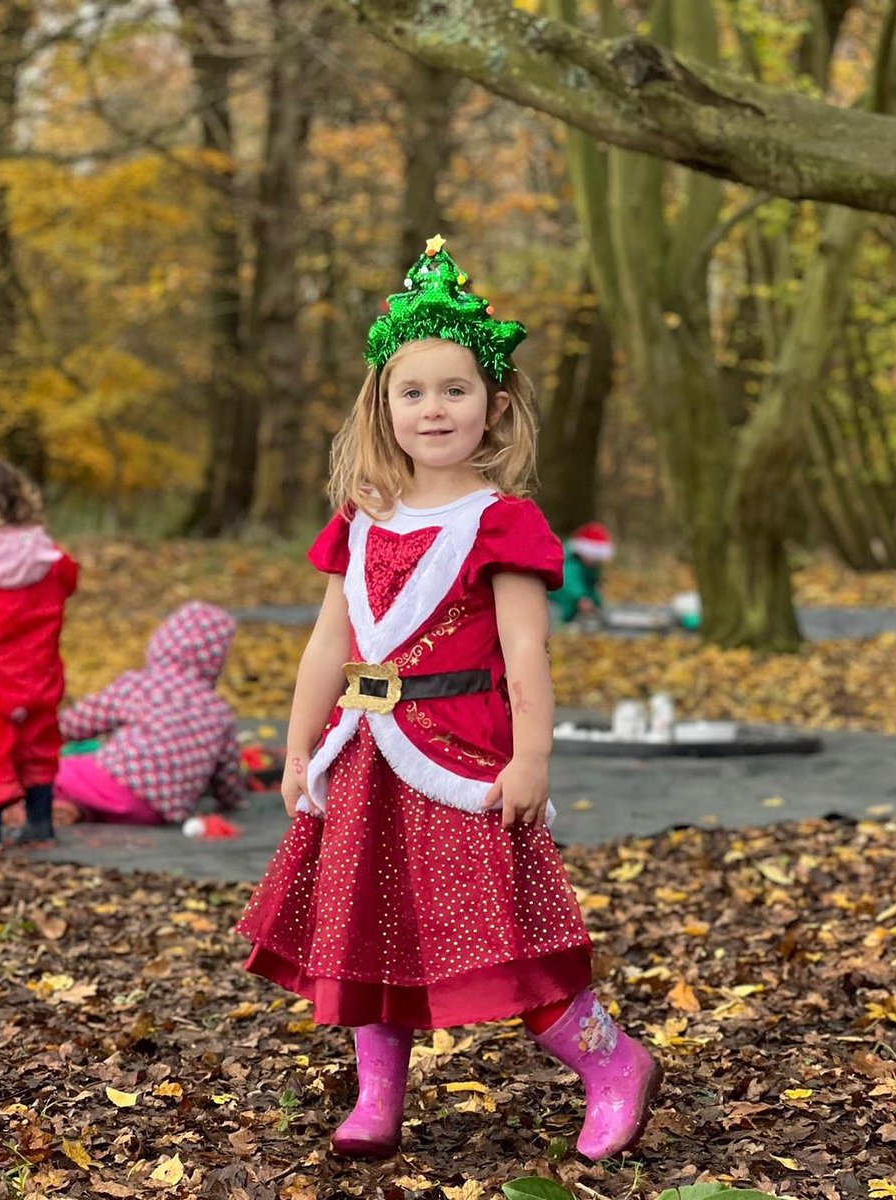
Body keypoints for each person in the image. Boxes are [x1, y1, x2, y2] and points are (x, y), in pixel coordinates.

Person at [238, 237, 660, 1161]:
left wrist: (534, 758)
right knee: (364, 925)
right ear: (382, 407)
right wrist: (300, 740)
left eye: (455, 391)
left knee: (502, 930)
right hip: (361, 753)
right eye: (412, 393)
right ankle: (378, 1096)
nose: (433, 410)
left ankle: (612, 1063)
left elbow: (524, 650)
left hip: (461, 756)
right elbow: (327, 641)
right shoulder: (359, 518)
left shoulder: (501, 520)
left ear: (494, 406)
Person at [0, 457, 78, 852]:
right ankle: (40, 826)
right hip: (41, 679)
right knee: (39, 749)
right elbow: (69, 578)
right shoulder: (48, 556)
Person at [55, 601, 243, 826]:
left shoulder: (143, 684)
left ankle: (45, 805)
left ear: (161, 643)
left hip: (115, 780)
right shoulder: (219, 710)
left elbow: (83, 720)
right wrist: (232, 801)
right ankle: (73, 809)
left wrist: (50, 735)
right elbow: (227, 774)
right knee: (101, 799)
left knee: (55, 772)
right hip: (156, 813)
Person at [550, 521, 615, 625]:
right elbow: (569, 583)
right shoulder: (569, 565)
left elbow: (591, 588)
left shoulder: (590, 569)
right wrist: (580, 598)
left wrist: (598, 603)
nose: (596, 560)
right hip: (557, 604)